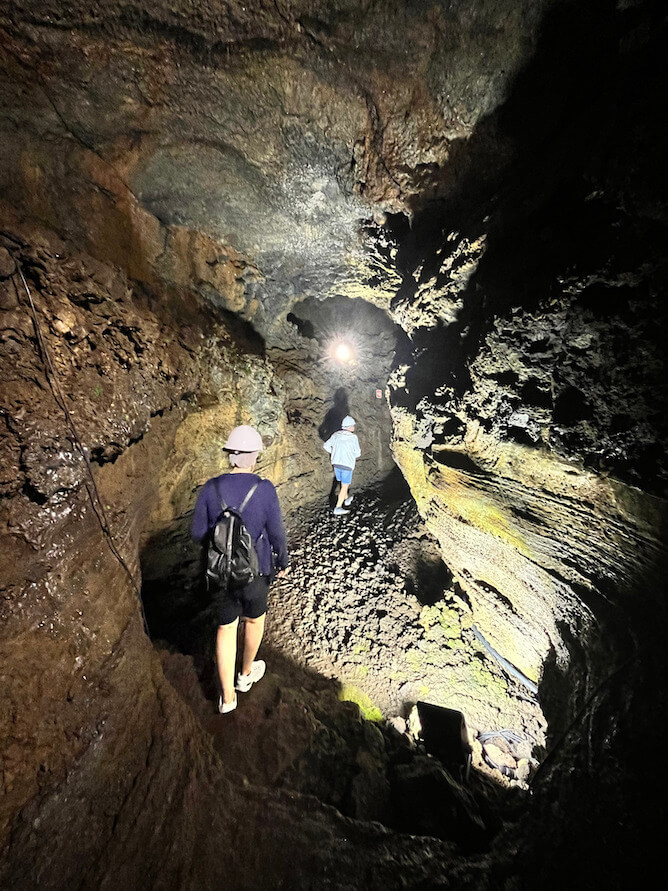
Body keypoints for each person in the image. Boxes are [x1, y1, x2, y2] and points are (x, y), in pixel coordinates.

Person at [192, 425, 289, 714]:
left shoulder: (210, 488)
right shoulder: (265, 489)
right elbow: (277, 534)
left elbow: (198, 533)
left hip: (220, 572)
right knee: (254, 621)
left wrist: (222, 541)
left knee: (226, 628)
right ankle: (245, 675)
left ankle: (228, 698)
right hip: (255, 572)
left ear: (230, 455)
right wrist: (282, 561)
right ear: (256, 455)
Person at [323, 415, 361, 516]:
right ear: (349, 427)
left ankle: (347, 499)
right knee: (344, 486)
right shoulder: (353, 438)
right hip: (347, 465)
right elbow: (358, 453)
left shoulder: (336, 435)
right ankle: (338, 507)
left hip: (336, 463)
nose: (354, 427)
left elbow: (326, 445)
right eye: (353, 425)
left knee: (343, 483)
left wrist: (334, 452)